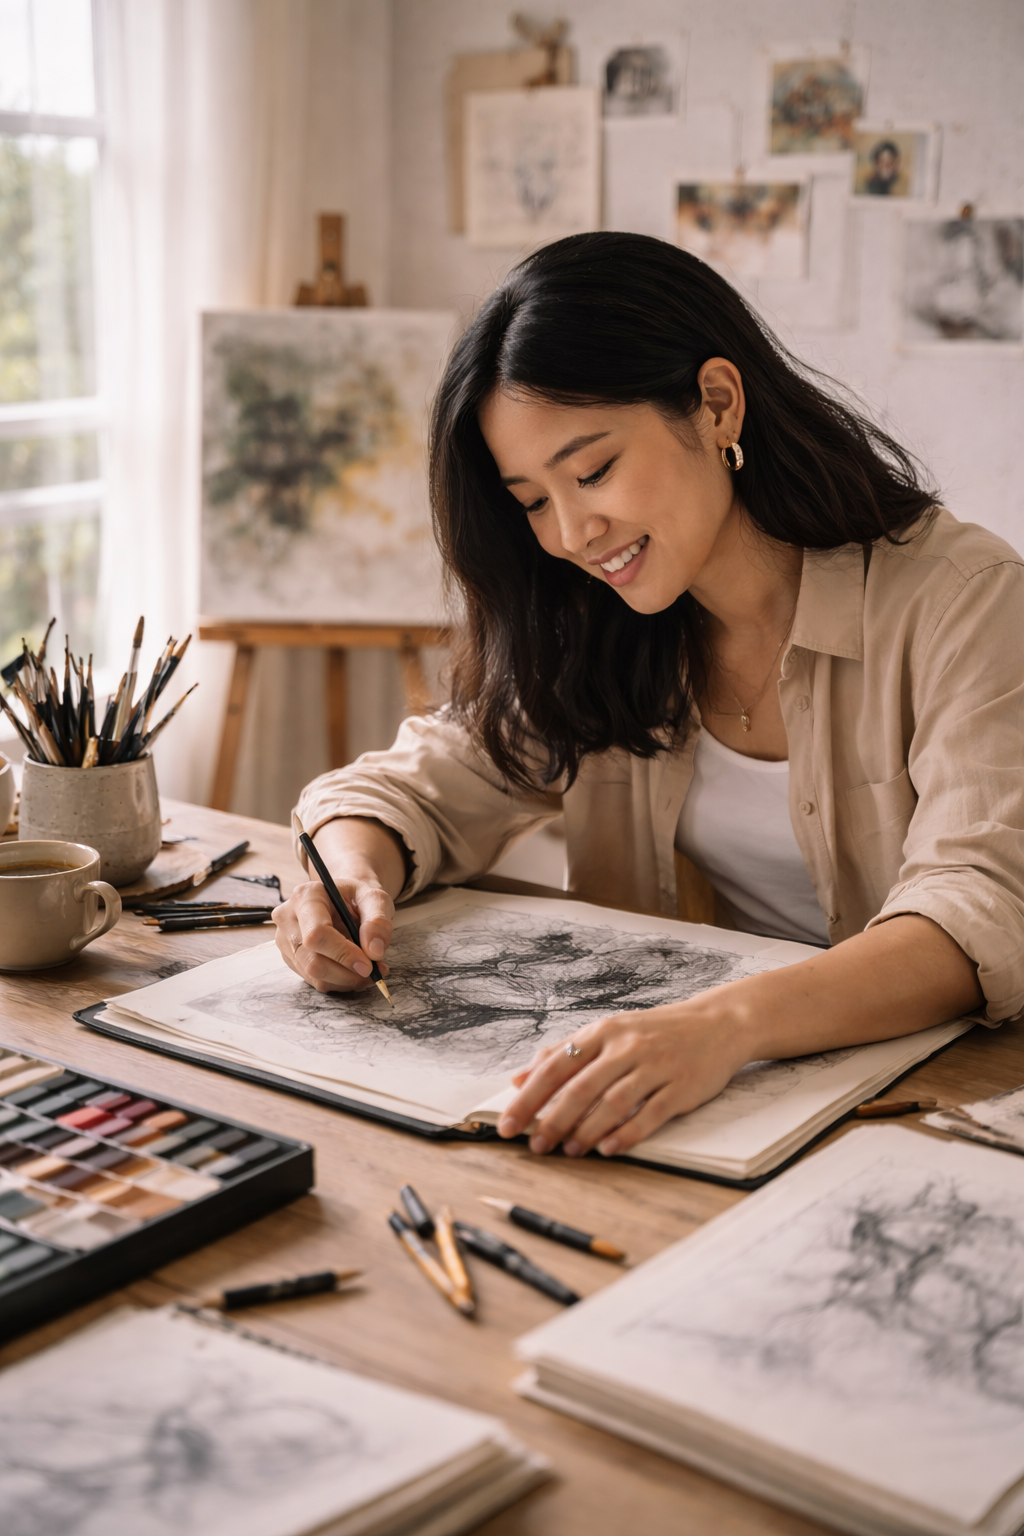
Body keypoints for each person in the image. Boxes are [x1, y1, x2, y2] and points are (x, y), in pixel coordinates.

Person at [273, 232, 1024, 1163]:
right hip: (689, 1113)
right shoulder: (603, 620)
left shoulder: (965, 596)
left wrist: (723, 1027)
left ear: (716, 404)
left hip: (925, 1109)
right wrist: (348, 874)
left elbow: (982, 905)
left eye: (591, 472)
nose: (573, 534)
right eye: (532, 500)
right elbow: (422, 781)